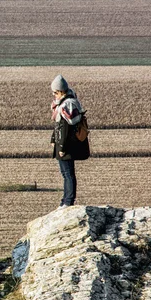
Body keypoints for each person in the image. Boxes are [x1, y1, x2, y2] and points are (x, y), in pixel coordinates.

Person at [49, 75, 90, 208]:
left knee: (68, 174)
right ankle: (66, 200)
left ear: (61, 91)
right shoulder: (70, 103)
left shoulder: (65, 105)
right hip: (66, 145)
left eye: (55, 92)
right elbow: (59, 128)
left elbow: (64, 129)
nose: (54, 95)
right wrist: (53, 139)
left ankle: (68, 201)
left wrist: (61, 148)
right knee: (67, 174)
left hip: (66, 146)